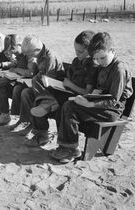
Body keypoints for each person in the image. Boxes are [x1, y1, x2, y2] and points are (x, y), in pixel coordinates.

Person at [50, 32, 133, 163]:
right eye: (96, 59)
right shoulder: (103, 65)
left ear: (112, 50)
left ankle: (71, 149)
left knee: (70, 108)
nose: (100, 62)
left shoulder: (119, 69)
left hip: (112, 111)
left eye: (102, 58)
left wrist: (90, 104)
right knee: (66, 104)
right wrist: (91, 95)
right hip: (99, 103)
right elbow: (100, 87)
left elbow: (113, 101)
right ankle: (66, 146)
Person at [25, 30, 98, 146]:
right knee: (33, 94)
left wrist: (69, 85)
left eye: (80, 51)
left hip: (78, 98)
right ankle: (41, 133)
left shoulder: (93, 65)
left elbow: (87, 92)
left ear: (91, 50)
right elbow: (67, 80)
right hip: (66, 92)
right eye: (76, 50)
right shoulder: (76, 61)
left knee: (62, 107)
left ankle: (65, 145)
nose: (77, 54)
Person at [9, 34, 65, 134]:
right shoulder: (40, 55)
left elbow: (48, 79)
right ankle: (26, 122)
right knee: (25, 91)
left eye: (29, 54)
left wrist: (34, 78)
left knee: (30, 88)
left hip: (54, 90)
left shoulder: (49, 57)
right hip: (44, 87)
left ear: (36, 50)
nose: (28, 56)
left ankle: (49, 102)